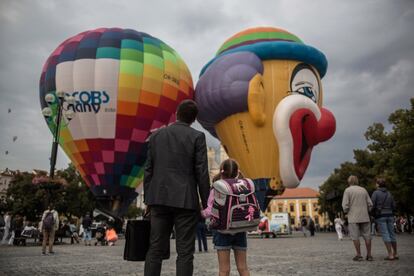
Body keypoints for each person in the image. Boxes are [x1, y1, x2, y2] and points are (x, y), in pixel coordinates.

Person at [143, 99, 210, 276]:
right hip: (186, 200)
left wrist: (148, 200)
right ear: (194, 119)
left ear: (176, 113)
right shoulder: (197, 137)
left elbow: (148, 170)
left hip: (158, 199)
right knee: (185, 252)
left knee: (155, 249)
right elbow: (202, 173)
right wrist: (207, 202)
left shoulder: (156, 136)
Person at [202, 158, 250, 276]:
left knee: (224, 270)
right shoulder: (243, 187)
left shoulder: (217, 188)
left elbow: (209, 211)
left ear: (221, 172)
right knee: (243, 268)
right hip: (240, 229)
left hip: (222, 230)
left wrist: (200, 213)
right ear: (237, 172)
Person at [342, 175, 373, 261]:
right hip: (365, 216)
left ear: (349, 182)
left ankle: (359, 255)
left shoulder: (347, 190)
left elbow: (345, 205)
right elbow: (370, 204)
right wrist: (367, 211)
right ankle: (369, 255)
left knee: (355, 236)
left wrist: (347, 211)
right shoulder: (363, 190)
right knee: (367, 236)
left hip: (353, 217)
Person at [371, 178, 398, 260]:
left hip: (381, 216)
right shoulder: (389, 193)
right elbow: (394, 205)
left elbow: (372, 205)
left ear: (378, 184)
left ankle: (390, 255)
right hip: (390, 215)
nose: (375, 185)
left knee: (385, 234)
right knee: (392, 234)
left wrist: (372, 213)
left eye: (376, 183)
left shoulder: (375, 193)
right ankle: (395, 253)